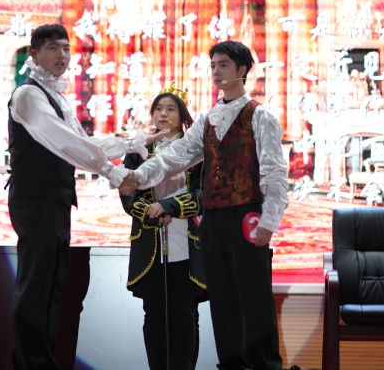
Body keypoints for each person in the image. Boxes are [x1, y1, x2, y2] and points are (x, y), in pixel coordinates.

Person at [118, 40, 289, 370]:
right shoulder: (207, 119)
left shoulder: (260, 116)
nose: (216, 71)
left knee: (254, 300)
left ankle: (265, 366)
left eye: (223, 65)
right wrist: (137, 177)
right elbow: (176, 156)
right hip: (213, 220)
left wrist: (270, 220)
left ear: (242, 70)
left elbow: (274, 171)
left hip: (247, 216)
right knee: (223, 302)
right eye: (213, 66)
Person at [7, 24, 166, 370]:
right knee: (36, 286)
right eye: (53, 48)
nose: (62, 55)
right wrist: (114, 172)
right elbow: (68, 145)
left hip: (54, 200)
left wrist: (133, 142)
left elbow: (84, 143)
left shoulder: (57, 97)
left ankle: (44, 361)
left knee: (53, 286)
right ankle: (29, 363)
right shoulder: (28, 95)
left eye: (66, 48)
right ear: (34, 54)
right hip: (35, 200)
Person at [120, 87, 206, 370]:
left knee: (185, 314)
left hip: (186, 239)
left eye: (171, 109)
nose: (164, 114)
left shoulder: (197, 149)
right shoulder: (138, 151)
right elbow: (127, 193)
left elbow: (204, 193)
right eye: (159, 109)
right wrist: (149, 212)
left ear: (182, 115)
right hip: (151, 241)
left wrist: (173, 206)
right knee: (154, 314)